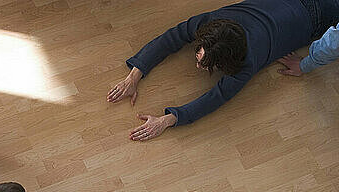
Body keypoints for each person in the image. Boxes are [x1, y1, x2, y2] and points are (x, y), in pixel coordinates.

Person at [107, 0, 339, 141]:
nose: (197, 66)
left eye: (206, 65)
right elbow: (173, 36)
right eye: (199, 56)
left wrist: (167, 120)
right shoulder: (212, 22)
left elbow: (216, 97)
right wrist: (134, 76)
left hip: (322, 15)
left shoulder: (248, 61)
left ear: (227, 64)